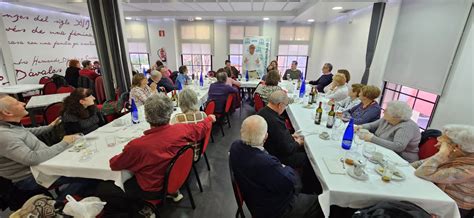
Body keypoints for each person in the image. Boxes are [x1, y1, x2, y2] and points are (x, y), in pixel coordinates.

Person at [109, 94, 216, 202]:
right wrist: (209, 119)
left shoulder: (137, 146)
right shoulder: (181, 129)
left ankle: (146, 208)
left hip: (153, 189)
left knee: (109, 187)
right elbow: (200, 129)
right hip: (176, 179)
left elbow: (115, 164)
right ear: (170, 113)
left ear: (146, 116)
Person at [0, 94, 96, 201]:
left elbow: (27, 132)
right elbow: (32, 158)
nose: (23, 103)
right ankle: (57, 205)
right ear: (7, 113)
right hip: (32, 177)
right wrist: (64, 143)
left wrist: (50, 126)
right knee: (87, 174)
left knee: (83, 167)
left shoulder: (10, 126)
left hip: (44, 166)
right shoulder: (4, 136)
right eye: (17, 103)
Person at [230, 115, 322, 218]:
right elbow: (290, 183)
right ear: (265, 136)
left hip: (253, 197)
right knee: (320, 203)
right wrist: (284, 167)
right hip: (274, 210)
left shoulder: (235, 146)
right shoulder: (266, 163)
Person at [257, 90, 320, 194]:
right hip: (278, 156)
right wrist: (298, 143)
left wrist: (290, 136)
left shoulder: (263, 112)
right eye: (285, 106)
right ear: (280, 105)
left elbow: (276, 136)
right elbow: (287, 149)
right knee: (309, 157)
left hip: (269, 148)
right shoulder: (276, 121)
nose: (285, 108)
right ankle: (308, 190)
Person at [412, 125, 474, 218]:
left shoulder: (469, 169)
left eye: (444, 143)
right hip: (435, 196)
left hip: (452, 209)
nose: (436, 145)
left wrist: (441, 154)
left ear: (457, 146)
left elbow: (422, 173)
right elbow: (417, 164)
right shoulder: (455, 156)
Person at [356, 101, 421, 162]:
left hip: (401, 159)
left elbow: (398, 146)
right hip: (382, 151)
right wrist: (361, 127)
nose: (383, 112)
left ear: (396, 116)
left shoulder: (407, 127)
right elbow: (371, 125)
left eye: (386, 111)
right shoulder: (387, 119)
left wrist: (372, 138)